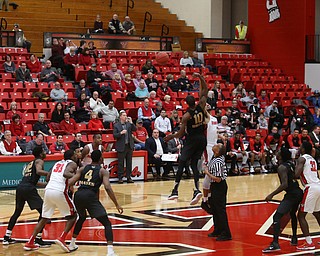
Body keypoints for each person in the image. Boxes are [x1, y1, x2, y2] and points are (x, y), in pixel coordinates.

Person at [68, 150, 123, 255]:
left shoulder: (83, 168)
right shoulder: (103, 171)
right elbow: (107, 187)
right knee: (107, 223)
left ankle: (72, 243)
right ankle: (110, 251)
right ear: (101, 158)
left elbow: (71, 182)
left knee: (82, 217)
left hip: (78, 195)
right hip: (89, 196)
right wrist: (116, 204)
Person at [23, 150, 78, 252]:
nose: (76, 156)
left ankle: (30, 242)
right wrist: (78, 176)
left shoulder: (57, 163)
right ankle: (62, 238)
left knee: (44, 218)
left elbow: (48, 177)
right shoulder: (72, 164)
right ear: (72, 156)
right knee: (73, 216)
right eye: (75, 154)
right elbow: (66, 174)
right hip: (59, 191)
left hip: (48, 190)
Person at [165, 73, 208, 204]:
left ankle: (175, 191)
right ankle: (196, 190)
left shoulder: (186, 116)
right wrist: (201, 78)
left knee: (182, 161)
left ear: (186, 104)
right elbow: (205, 91)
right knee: (194, 164)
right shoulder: (201, 105)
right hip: (202, 139)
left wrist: (171, 136)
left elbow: (181, 134)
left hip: (192, 140)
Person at [3, 147, 50, 247]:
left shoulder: (31, 163)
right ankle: (38, 238)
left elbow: (34, 181)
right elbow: (38, 171)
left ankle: (7, 237)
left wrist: (47, 184)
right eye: (44, 151)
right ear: (41, 154)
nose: (45, 153)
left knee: (17, 212)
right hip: (28, 189)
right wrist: (51, 174)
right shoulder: (39, 161)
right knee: (44, 212)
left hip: (21, 187)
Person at [262, 147, 303, 253]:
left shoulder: (281, 167)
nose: (277, 154)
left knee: (277, 216)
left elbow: (284, 184)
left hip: (292, 194)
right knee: (293, 214)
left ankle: (275, 243)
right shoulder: (291, 163)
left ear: (281, 156)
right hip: (298, 191)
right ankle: (294, 238)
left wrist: (271, 195)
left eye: (278, 153)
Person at [294, 141, 320, 250]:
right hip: (318, 185)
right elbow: (317, 175)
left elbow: (296, 174)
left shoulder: (302, 158)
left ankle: (309, 243)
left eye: (300, 147)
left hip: (310, 188)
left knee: (300, 215)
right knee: (317, 213)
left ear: (303, 149)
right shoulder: (312, 159)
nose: (299, 148)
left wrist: (295, 162)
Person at [204, 143, 232, 241]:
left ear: (217, 151)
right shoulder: (215, 157)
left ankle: (226, 233)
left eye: (217, 145)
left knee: (220, 210)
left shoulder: (218, 162)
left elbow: (218, 179)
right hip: (214, 186)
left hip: (219, 186)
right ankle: (218, 230)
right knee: (215, 209)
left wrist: (207, 173)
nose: (214, 145)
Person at [113, 111, 136, 183]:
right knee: (120, 163)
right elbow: (114, 135)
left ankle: (129, 177)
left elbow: (135, 129)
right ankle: (120, 177)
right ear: (120, 117)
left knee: (129, 162)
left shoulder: (129, 124)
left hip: (129, 146)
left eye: (126, 115)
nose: (125, 116)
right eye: (124, 115)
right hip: (121, 146)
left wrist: (132, 122)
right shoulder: (116, 125)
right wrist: (120, 133)